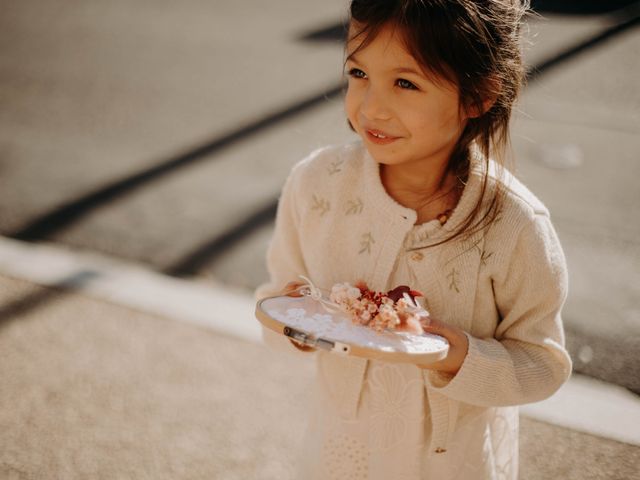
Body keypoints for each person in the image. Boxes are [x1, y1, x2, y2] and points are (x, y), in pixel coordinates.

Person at [256, 1, 571, 478]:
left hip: (452, 463)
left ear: (478, 96)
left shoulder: (513, 225)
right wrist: (297, 324)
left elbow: (544, 363)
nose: (370, 106)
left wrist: (461, 356)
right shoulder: (317, 185)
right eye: (358, 73)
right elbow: (274, 300)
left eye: (405, 83)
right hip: (340, 453)